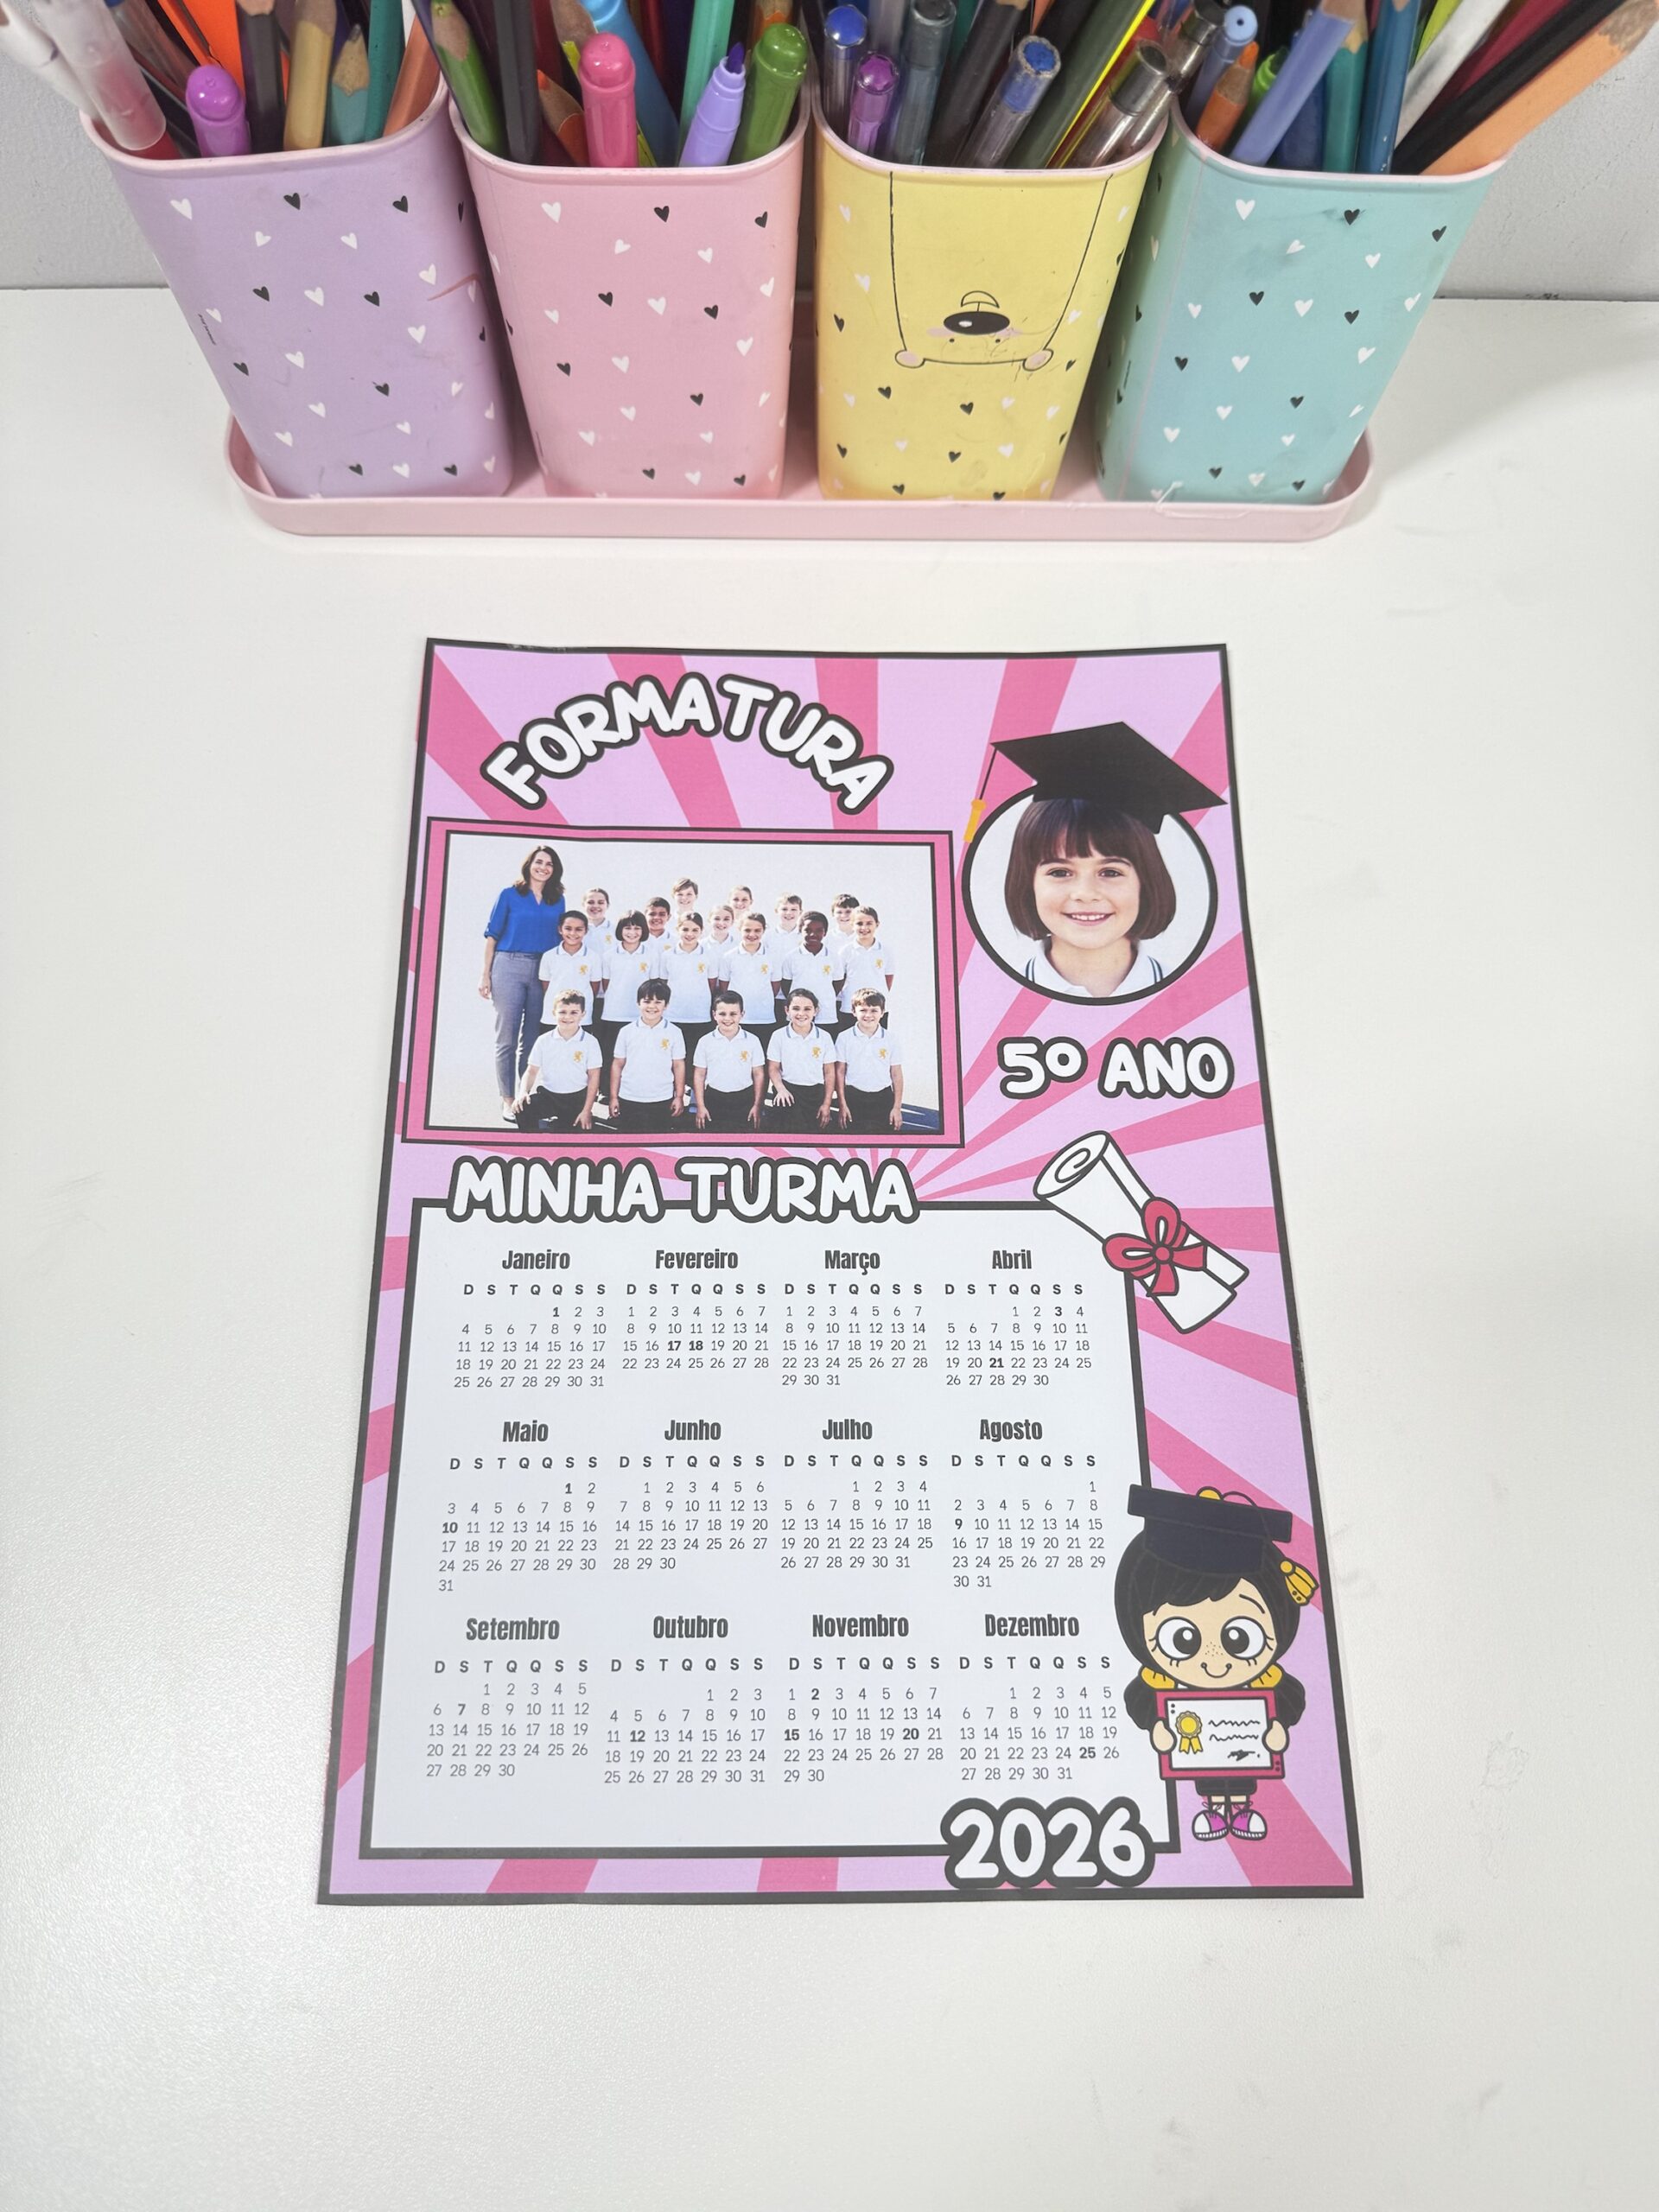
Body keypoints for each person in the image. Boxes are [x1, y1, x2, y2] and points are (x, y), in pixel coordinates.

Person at [1114, 1484, 1317, 1845]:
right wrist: (1159, 1728)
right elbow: (1140, 1701)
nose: (1213, 1662)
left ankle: (1241, 1808)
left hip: (1246, 1749)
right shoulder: (1158, 1682)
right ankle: (1213, 1809)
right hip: (1197, 1749)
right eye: (1182, 1640)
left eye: (1240, 1638)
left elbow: (1290, 1699)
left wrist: (1276, 1728)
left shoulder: (1267, 1680)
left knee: (1240, 1776)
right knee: (1208, 1773)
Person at [987, 723, 1222, 1001]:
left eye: (1110, 872)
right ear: (1028, 884)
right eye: (1060, 872)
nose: (1086, 894)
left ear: (1146, 882)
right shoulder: (996, 1001)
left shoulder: (1196, 1000)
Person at [480, 844, 566, 1124]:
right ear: (529, 865)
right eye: (539, 862)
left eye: (549, 864)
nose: (543, 868)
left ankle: (522, 1097)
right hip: (509, 964)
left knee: (532, 1039)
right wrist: (485, 974)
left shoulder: (557, 900)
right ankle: (506, 1099)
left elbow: (562, 938)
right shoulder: (509, 895)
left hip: (542, 969)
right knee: (506, 1037)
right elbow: (492, 936)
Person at [512, 993, 602, 1133]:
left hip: (576, 1098)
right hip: (549, 1095)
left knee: (571, 1132)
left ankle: (571, 1120)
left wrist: (586, 1110)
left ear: (583, 1014)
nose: (568, 1017)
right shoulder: (544, 1040)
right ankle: (534, 1141)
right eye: (562, 1012)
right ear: (554, 1013)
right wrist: (523, 1092)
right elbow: (531, 1071)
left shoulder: (590, 1042)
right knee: (521, 1108)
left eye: (574, 1012)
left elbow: (594, 1077)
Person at [609, 979, 685, 1135]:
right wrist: (613, 1097)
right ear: (638, 1003)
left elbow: (678, 1065)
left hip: (662, 1098)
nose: (652, 1006)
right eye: (647, 1001)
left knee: (658, 1142)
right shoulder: (626, 1031)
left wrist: (679, 1096)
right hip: (629, 1097)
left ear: (666, 1005)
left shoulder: (675, 1032)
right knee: (630, 1141)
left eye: (658, 1002)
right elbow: (618, 1064)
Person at [766, 988, 838, 1132]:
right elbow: (773, 1068)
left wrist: (826, 1104)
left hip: (815, 1093)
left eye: (807, 1009)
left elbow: (829, 1072)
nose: (801, 1013)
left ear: (816, 1011)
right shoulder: (778, 1036)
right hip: (788, 1091)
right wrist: (781, 1090)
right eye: (796, 1008)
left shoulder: (824, 1037)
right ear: (787, 1010)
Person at [693, 992, 766, 1131]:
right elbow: (699, 1074)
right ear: (714, 1014)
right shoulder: (705, 1041)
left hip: (744, 1099)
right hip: (714, 1098)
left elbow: (758, 1074)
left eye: (733, 1014)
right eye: (722, 1014)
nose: (727, 1019)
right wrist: (701, 1106)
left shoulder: (753, 1040)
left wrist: (757, 1105)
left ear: (742, 1014)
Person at [835, 988, 904, 1133]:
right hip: (854, 1096)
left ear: (882, 1012)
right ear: (853, 1012)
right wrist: (842, 1104)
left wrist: (897, 1108)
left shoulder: (891, 1039)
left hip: (883, 1097)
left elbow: (896, 1074)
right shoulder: (844, 1037)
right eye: (863, 1010)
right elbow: (840, 1072)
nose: (868, 1015)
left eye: (874, 1010)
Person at [659, 911, 717, 1078]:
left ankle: (694, 1091)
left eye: (695, 930)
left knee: (696, 1057)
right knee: (673, 1057)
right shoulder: (667, 955)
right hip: (673, 1014)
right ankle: (673, 1091)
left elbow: (711, 983)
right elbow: (663, 983)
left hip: (700, 1015)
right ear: (677, 929)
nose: (690, 934)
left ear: (702, 931)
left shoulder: (709, 955)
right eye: (685, 929)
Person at [601, 911, 659, 1069]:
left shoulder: (652, 955)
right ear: (620, 929)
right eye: (627, 928)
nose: (632, 932)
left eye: (637, 928)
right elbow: (606, 983)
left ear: (643, 930)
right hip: (614, 1013)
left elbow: (653, 984)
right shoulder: (609, 955)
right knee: (612, 1056)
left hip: (641, 1014)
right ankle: (609, 1085)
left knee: (638, 1057)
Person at [537, 910, 602, 1028]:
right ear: (560, 929)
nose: (573, 933)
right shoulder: (549, 956)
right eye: (568, 928)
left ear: (586, 931)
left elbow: (594, 987)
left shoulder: (593, 957)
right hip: (553, 1017)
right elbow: (546, 985)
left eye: (578, 929)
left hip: (581, 1018)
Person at [721, 912, 779, 1043]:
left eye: (757, 930)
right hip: (737, 1018)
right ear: (739, 929)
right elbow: (725, 986)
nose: (752, 934)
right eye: (747, 930)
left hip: (764, 1017)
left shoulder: (772, 956)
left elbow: (775, 985)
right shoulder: (729, 957)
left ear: (764, 930)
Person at [785, 911, 845, 1033]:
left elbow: (838, 983)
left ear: (825, 932)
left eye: (819, 930)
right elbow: (786, 984)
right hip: (799, 1016)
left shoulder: (834, 957)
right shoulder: (791, 957)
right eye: (807, 930)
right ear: (800, 930)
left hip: (826, 1015)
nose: (813, 934)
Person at [836, 904, 893, 1020]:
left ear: (877, 924)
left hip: (877, 1007)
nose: (864, 927)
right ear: (852, 925)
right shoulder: (846, 951)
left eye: (869, 923)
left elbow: (888, 979)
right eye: (859, 923)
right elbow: (839, 979)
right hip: (850, 1007)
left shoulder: (885, 951)